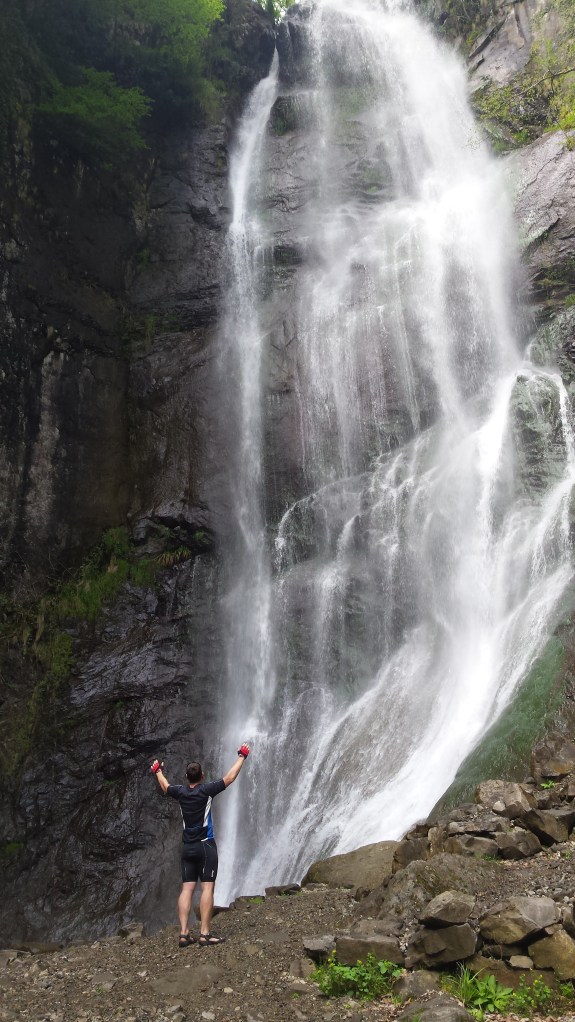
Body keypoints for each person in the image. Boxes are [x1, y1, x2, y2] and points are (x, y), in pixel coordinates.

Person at [150, 743, 250, 948]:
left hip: (187, 848)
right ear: (202, 775)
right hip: (206, 846)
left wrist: (158, 771)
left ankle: (184, 933)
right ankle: (204, 934)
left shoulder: (180, 792)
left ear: (187, 778)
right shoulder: (206, 791)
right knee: (207, 888)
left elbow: (165, 786)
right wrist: (242, 756)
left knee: (186, 889)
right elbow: (229, 778)